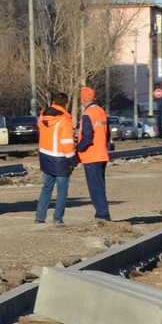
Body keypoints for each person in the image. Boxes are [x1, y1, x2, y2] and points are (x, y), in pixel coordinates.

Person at [34, 92, 76, 225]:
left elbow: (41, 126)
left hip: (45, 156)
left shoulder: (43, 115)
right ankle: (57, 218)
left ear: (53, 102)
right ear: (66, 104)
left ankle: (40, 217)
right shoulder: (65, 120)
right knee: (62, 190)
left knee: (47, 187)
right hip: (60, 159)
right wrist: (73, 161)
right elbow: (67, 144)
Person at [76, 86, 112, 222]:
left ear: (82, 100)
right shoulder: (101, 111)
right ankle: (102, 213)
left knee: (95, 187)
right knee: (100, 185)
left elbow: (87, 136)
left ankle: (102, 215)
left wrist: (79, 149)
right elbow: (107, 133)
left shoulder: (88, 114)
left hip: (91, 155)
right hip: (102, 153)